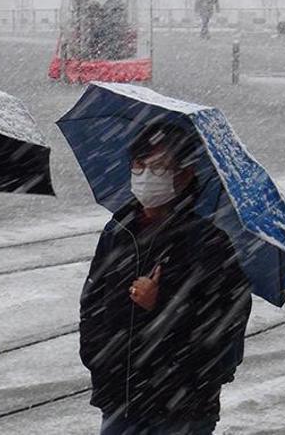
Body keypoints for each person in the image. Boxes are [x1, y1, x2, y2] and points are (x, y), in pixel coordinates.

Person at [79, 122, 253, 435]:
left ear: (185, 175)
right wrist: (99, 360)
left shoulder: (209, 242)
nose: (146, 175)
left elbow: (226, 328)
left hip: (181, 410)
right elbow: (92, 303)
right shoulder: (119, 231)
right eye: (139, 165)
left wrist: (163, 305)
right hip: (122, 400)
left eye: (159, 167)